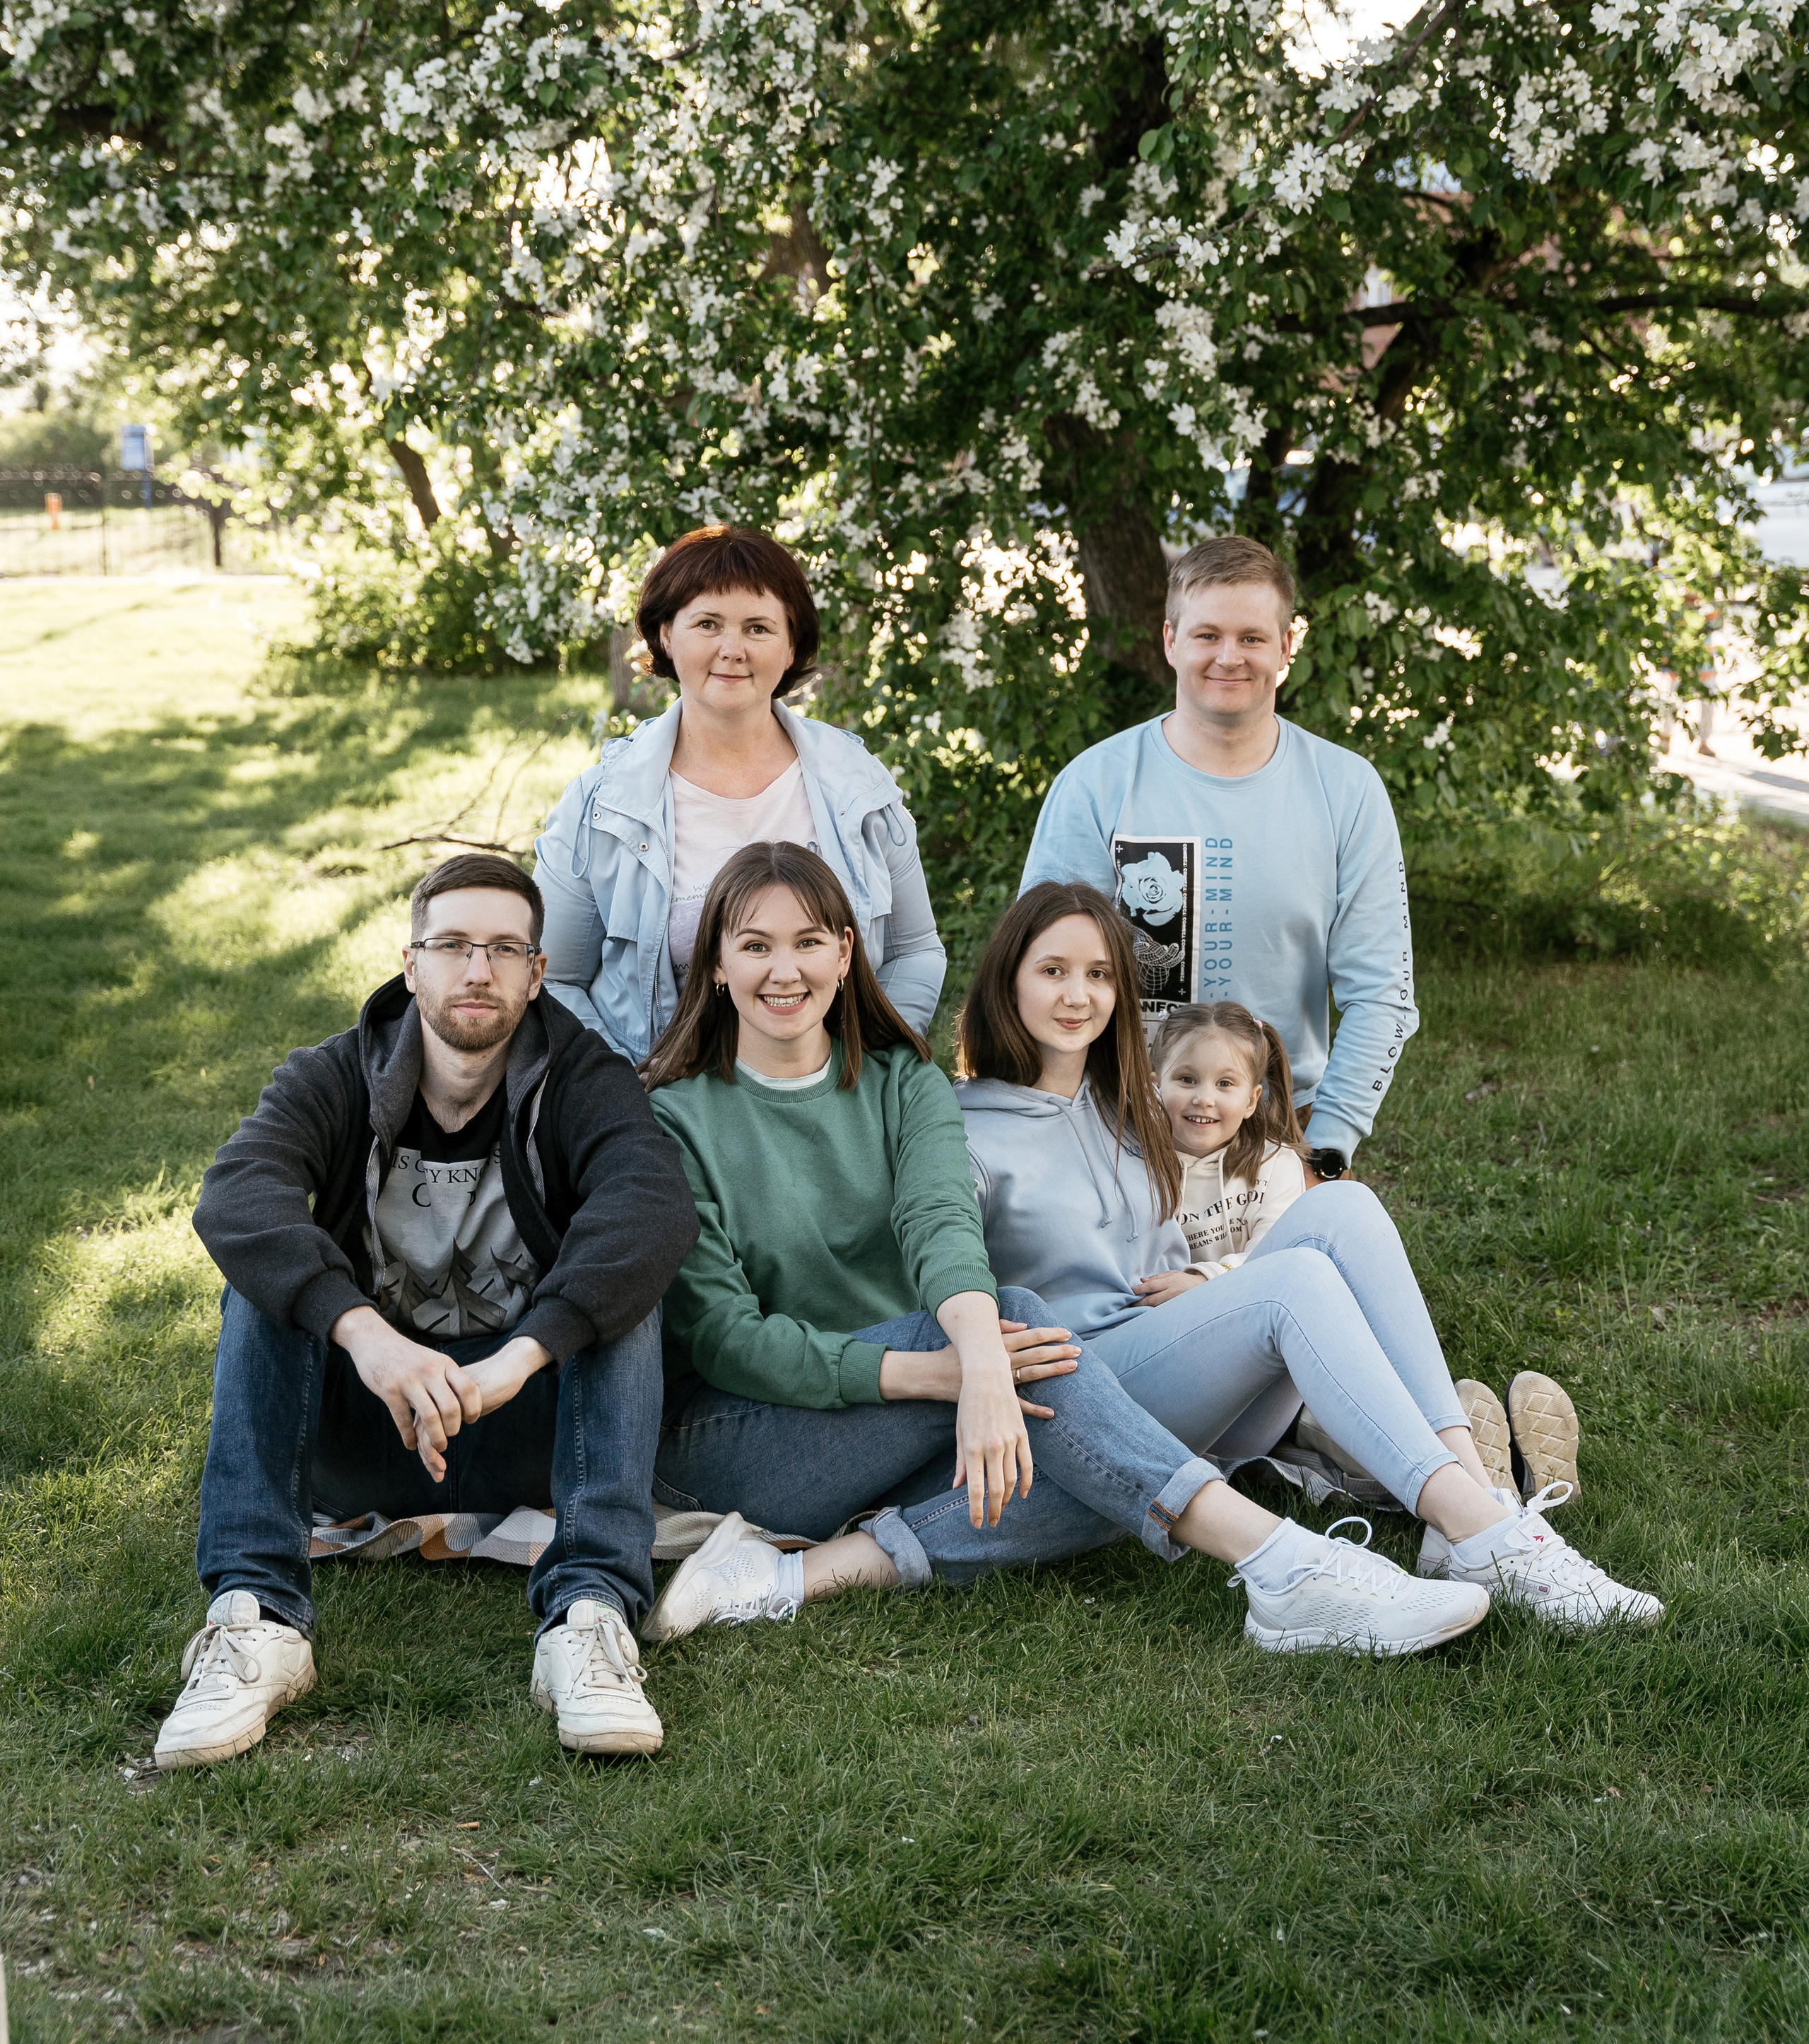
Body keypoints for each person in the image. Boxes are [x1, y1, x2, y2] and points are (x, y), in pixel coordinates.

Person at [637, 841, 1502, 1658]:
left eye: (807, 943)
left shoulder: (902, 1081)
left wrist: (972, 1365)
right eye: (754, 945)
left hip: (896, 1417)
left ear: (844, 952)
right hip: (744, 1430)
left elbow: (939, 1229)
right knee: (1027, 1342)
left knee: (1063, 1431)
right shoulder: (676, 1116)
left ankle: (788, 1576)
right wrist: (946, 1371)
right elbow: (724, 1338)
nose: (783, 970)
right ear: (716, 964)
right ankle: (1288, 1565)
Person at [955, 883, 1663, 1629]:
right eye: (1052, 970)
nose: (1077, 994)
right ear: (1008, 979)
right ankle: (1489, 1534)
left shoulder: (1128, 1102)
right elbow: (926, 1288)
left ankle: (1469, 1511)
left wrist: (1208, 1278)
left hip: (1200, 1371)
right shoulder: (963, 1128)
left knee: (1341, 1207)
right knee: (1290, 1283)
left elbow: (1226, 1114)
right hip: (1089, 1395)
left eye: (1099, 974)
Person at [155, 852, 701, 1770]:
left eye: (503, 948)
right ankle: (258, 1623)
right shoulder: (333, 1077)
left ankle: (591, 1618)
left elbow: (652, 1209)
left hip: (526, 1428)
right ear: (412, 965)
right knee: (264, 1281)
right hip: (369, 1431)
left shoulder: (582, 1079)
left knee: (620, 1295)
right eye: (452, 944)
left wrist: (524, 1354)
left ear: (537, 972)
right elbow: (236, 1197)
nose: (477, 969)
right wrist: (366, 1337)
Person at [1018, 532, 1413, 1170]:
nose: (1229, 657)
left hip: (1283, 1126)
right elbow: (1039, 974)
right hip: (1116, 1121)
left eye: (1253, 638)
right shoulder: (1095, 785)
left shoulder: (1347, 789)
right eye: (1207, 635)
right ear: (1171, 641)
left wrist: (1327, 1149)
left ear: (1288, 646)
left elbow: (1383, 994)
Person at [536, 524, 945, 1062]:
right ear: (664, 635)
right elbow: (554, 977)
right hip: (658, 1108)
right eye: (707, 624)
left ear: (792, 644)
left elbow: (916, 952)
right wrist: (629, 1094)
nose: (733, 649)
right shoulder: (602, 806)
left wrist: (869, 1071)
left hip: (837, 1099)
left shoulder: (858, 784)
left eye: (758, 627)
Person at [1145, 1000, 1308, 1279]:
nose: (1204, 1099)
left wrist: (1204, 1280)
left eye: (1225, 1084)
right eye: (1187, 1079)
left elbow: (1276, 1255)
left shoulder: (1275, 1164)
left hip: (1249, 1306)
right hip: (1151, 1310)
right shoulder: (1131, 1160)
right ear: (1155, 1086)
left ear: (1251, 1100)